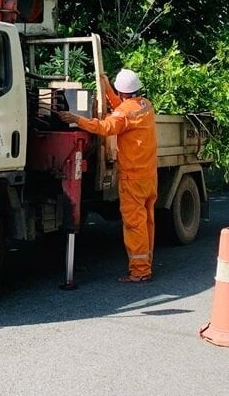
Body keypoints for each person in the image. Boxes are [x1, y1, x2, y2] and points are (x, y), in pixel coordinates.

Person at [59, 68, 158, 283]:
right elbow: (121, 110)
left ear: (122, 92)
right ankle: (145, 262)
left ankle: (140, 271)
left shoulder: (124, 113)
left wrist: (78, 119)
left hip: (133, 178)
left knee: (134, 224)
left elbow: (106, 127)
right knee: (147, 221)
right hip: (149, 176)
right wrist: (106, 89)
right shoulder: (145, 105)